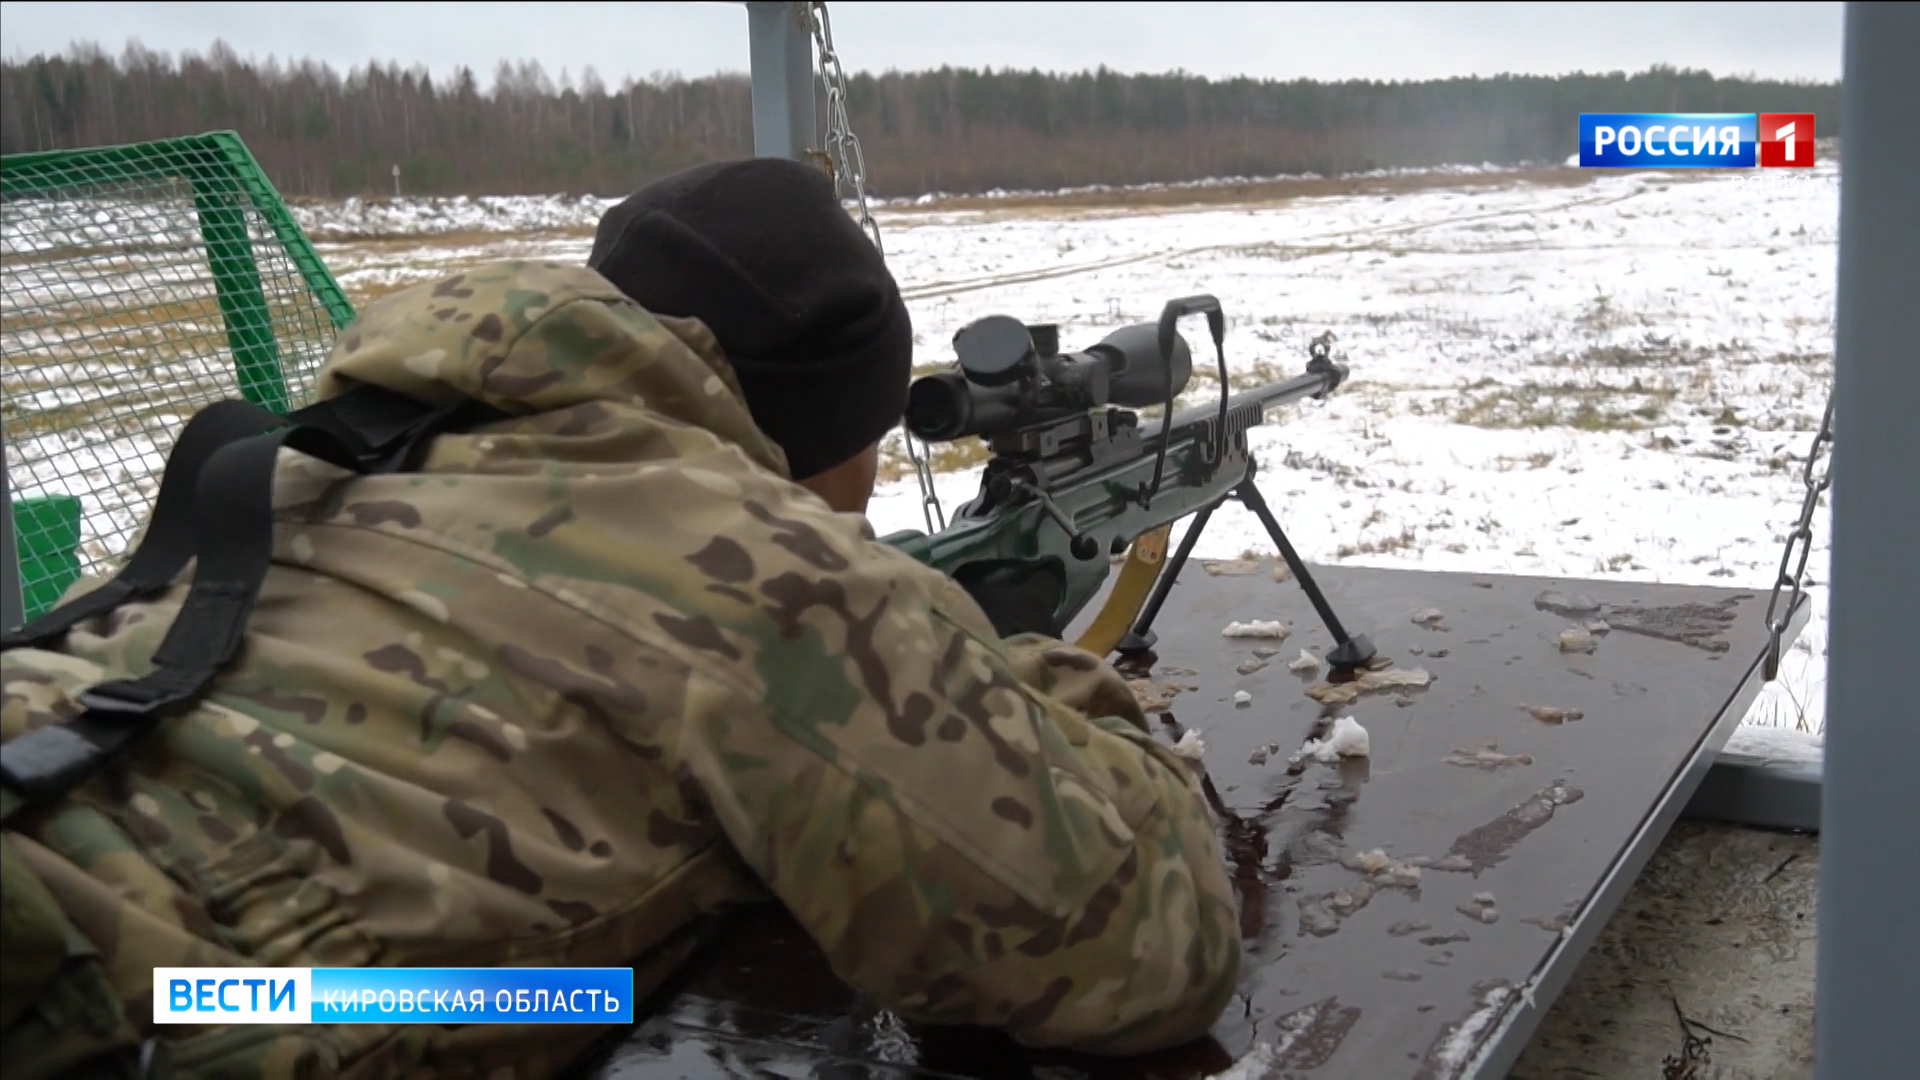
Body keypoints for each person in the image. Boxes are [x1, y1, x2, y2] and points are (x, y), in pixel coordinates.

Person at [0, 157, 1241, 1080]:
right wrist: (1010, 670)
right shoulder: (754, 572)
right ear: (822, 443)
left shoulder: (339, 451)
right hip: (141, 1001)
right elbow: (1145, 945)